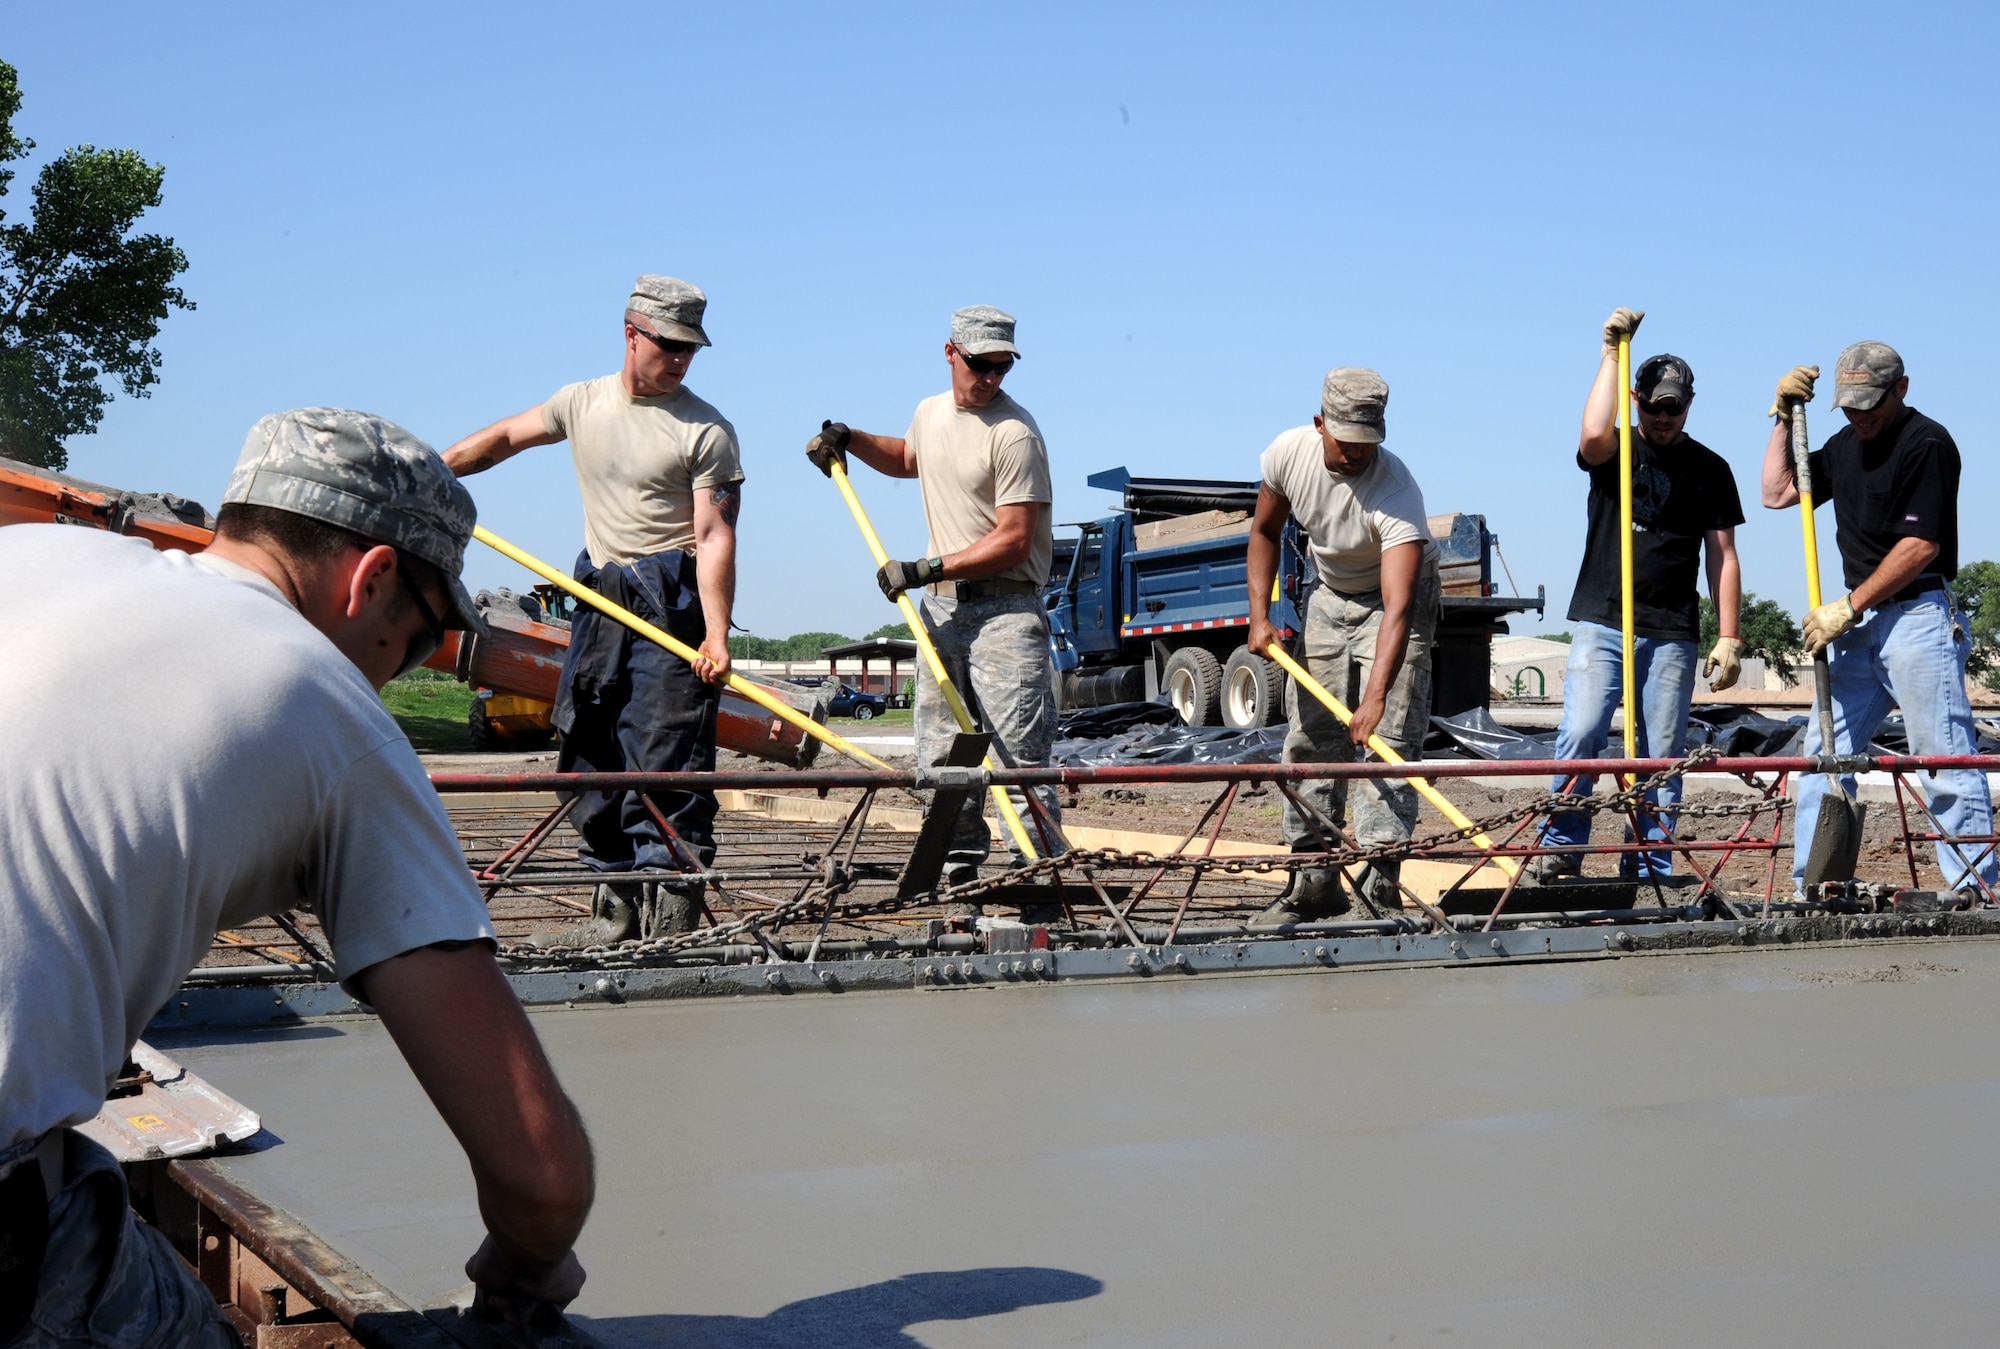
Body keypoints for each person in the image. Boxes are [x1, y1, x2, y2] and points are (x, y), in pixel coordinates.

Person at [0, 409, 594, 1345]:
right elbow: (541, 1174)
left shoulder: (28, 556)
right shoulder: (328, 703)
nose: (401, 675)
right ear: (375, 579)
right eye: (428, 638)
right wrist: (525, 1269)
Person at [443, 275, 743, 945]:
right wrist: (436, 469)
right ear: (631, 333)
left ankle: (670, 927)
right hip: (601, 599)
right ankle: (614, 914)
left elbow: (716, 534)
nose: (680, 359)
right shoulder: (580, 402)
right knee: (588, 752)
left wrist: (717, 635)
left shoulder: (707, 431)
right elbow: (504, 438)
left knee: (665, 764)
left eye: (691, 349)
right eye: (668, 344)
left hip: (672, 602)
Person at [805, 306, 1060, 906]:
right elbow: (910, 458)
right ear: (951, 353)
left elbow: (1015, 538)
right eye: (981, 364)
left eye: (1003, 366)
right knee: (943, 753)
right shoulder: (930, 413)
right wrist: (852, 440)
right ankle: (961, 865)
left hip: (1005, 614)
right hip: (942, 614)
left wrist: (928, 567)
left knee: (1018, 756)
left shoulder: (1014, 434)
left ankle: (1040, 875)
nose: (992, 377)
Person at [1761, 342, 1996, 897]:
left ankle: (1975, 890)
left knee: (1942, 753)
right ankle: (1812, 886)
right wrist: (1781, 417)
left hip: (1917, 617)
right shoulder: (1845, 444)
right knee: (1823, 754)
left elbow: (1920, 546)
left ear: (1902, 389)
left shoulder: (1927, 442)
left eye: (1871, 404)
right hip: (1860, 625)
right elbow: (1776, 492)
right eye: (1850, 406)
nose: (1860, 416)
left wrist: (1849, 605)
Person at [1532, 309, 1745, 882]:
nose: (1663, 417)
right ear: (1636, 398)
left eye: (1674, 407)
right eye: (1652, 405)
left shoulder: (1711, 469)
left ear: (1690, 404)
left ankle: (1649, 860)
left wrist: (1730, 635)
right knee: (1582, 731)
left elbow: (1722, 555)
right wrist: (1608, 353)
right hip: (1604, 618)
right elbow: (1592, 434)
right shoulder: (1616, 449)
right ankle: (1559, 848)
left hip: (1671, 628)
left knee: (1661, 752)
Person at [1246, 367, 1441, 923]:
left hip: (1398, 599)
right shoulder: (1288, 453)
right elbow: (1263, 532)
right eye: (1345, 442)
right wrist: (1260, 615)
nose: (1356, 455)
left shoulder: (1396, 492)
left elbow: (1399, 608)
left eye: (1367, 444)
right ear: (1319, 424)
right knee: (1311, 736)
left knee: (1388, 742)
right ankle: (1313, 881)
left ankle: (1379, 887)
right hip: (1328, 592)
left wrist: (1375, 697)